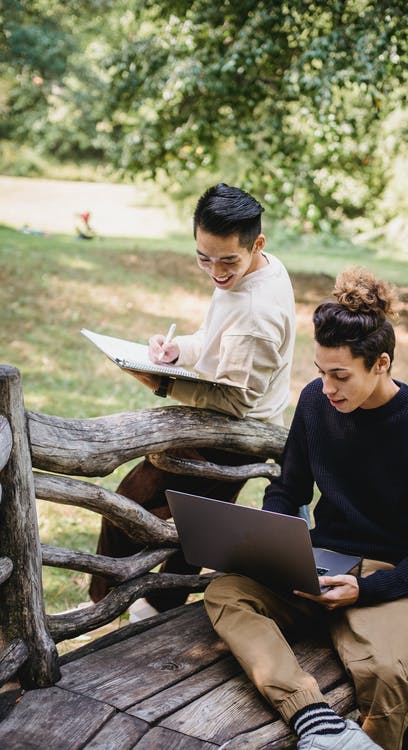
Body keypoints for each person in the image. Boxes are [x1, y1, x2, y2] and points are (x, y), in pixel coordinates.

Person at [204, 266, 408, 750]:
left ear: (381, 363)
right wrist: (272, 540)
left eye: (341, 375)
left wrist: (364, 590)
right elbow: (290, 489)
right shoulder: (314, 402)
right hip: (314, 564)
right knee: (224, 593)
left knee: (386, 674)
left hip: (385, 578)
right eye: (320, 372)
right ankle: (312, 717)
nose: (328, 388)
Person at [89, 183, 303, 612]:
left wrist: (164, 383)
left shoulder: (255, 314)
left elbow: (238, 402)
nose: (216, 271)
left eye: (227, 260)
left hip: (232, 438)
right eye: (204, 257)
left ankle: (108, 605)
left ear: (256, 243)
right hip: (223, 427)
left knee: (133, 511)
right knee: (190, 528)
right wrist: (178, 352)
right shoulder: (258, 267)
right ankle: (136, 609)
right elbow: (215, 339)